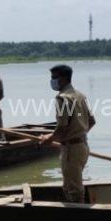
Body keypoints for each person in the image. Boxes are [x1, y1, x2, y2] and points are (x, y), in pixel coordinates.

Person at [39, 64, 95, 203]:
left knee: (74, 188)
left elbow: (62, 127)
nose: (52, 81)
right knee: (69, 184)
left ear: (63, 78)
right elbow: (92, 121)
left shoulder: (62, 99)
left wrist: (49, 138)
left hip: (71, 150)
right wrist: (78, 134)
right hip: (83, 146)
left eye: (54, 77)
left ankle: (78, 213)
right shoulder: (80, 96)